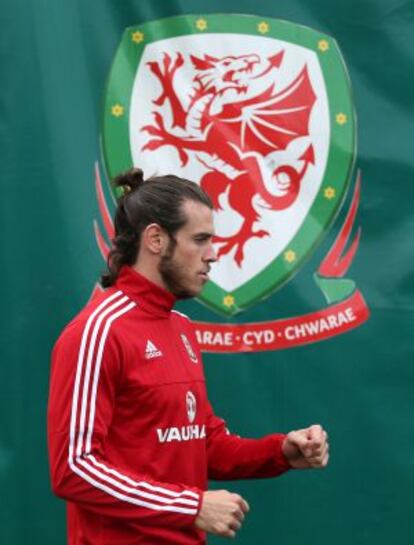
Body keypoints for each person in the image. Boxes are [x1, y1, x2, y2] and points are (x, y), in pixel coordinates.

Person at [48, 168, 329, 545]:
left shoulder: (180, 328)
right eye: (200, 240)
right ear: (155, 239)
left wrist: (279, 452)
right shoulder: (97, 331)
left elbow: (203, 444)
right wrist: (191, 506)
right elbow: (74, 468)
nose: (212, 256)